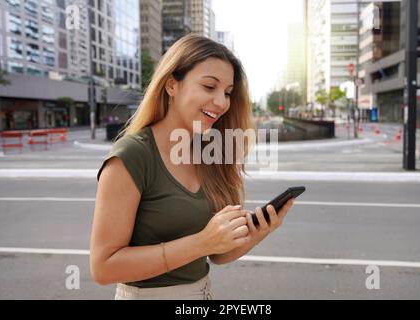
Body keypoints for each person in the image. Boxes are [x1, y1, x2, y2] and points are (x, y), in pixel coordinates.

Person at [90, 35, 294, 300]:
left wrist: (258, 231)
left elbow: (217, 254)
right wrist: (200, 243)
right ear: (172, 85)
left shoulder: (211, 152)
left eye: (228, 92)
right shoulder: (133, 156)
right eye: (210, 87)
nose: (221, 102)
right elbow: (103, 267)